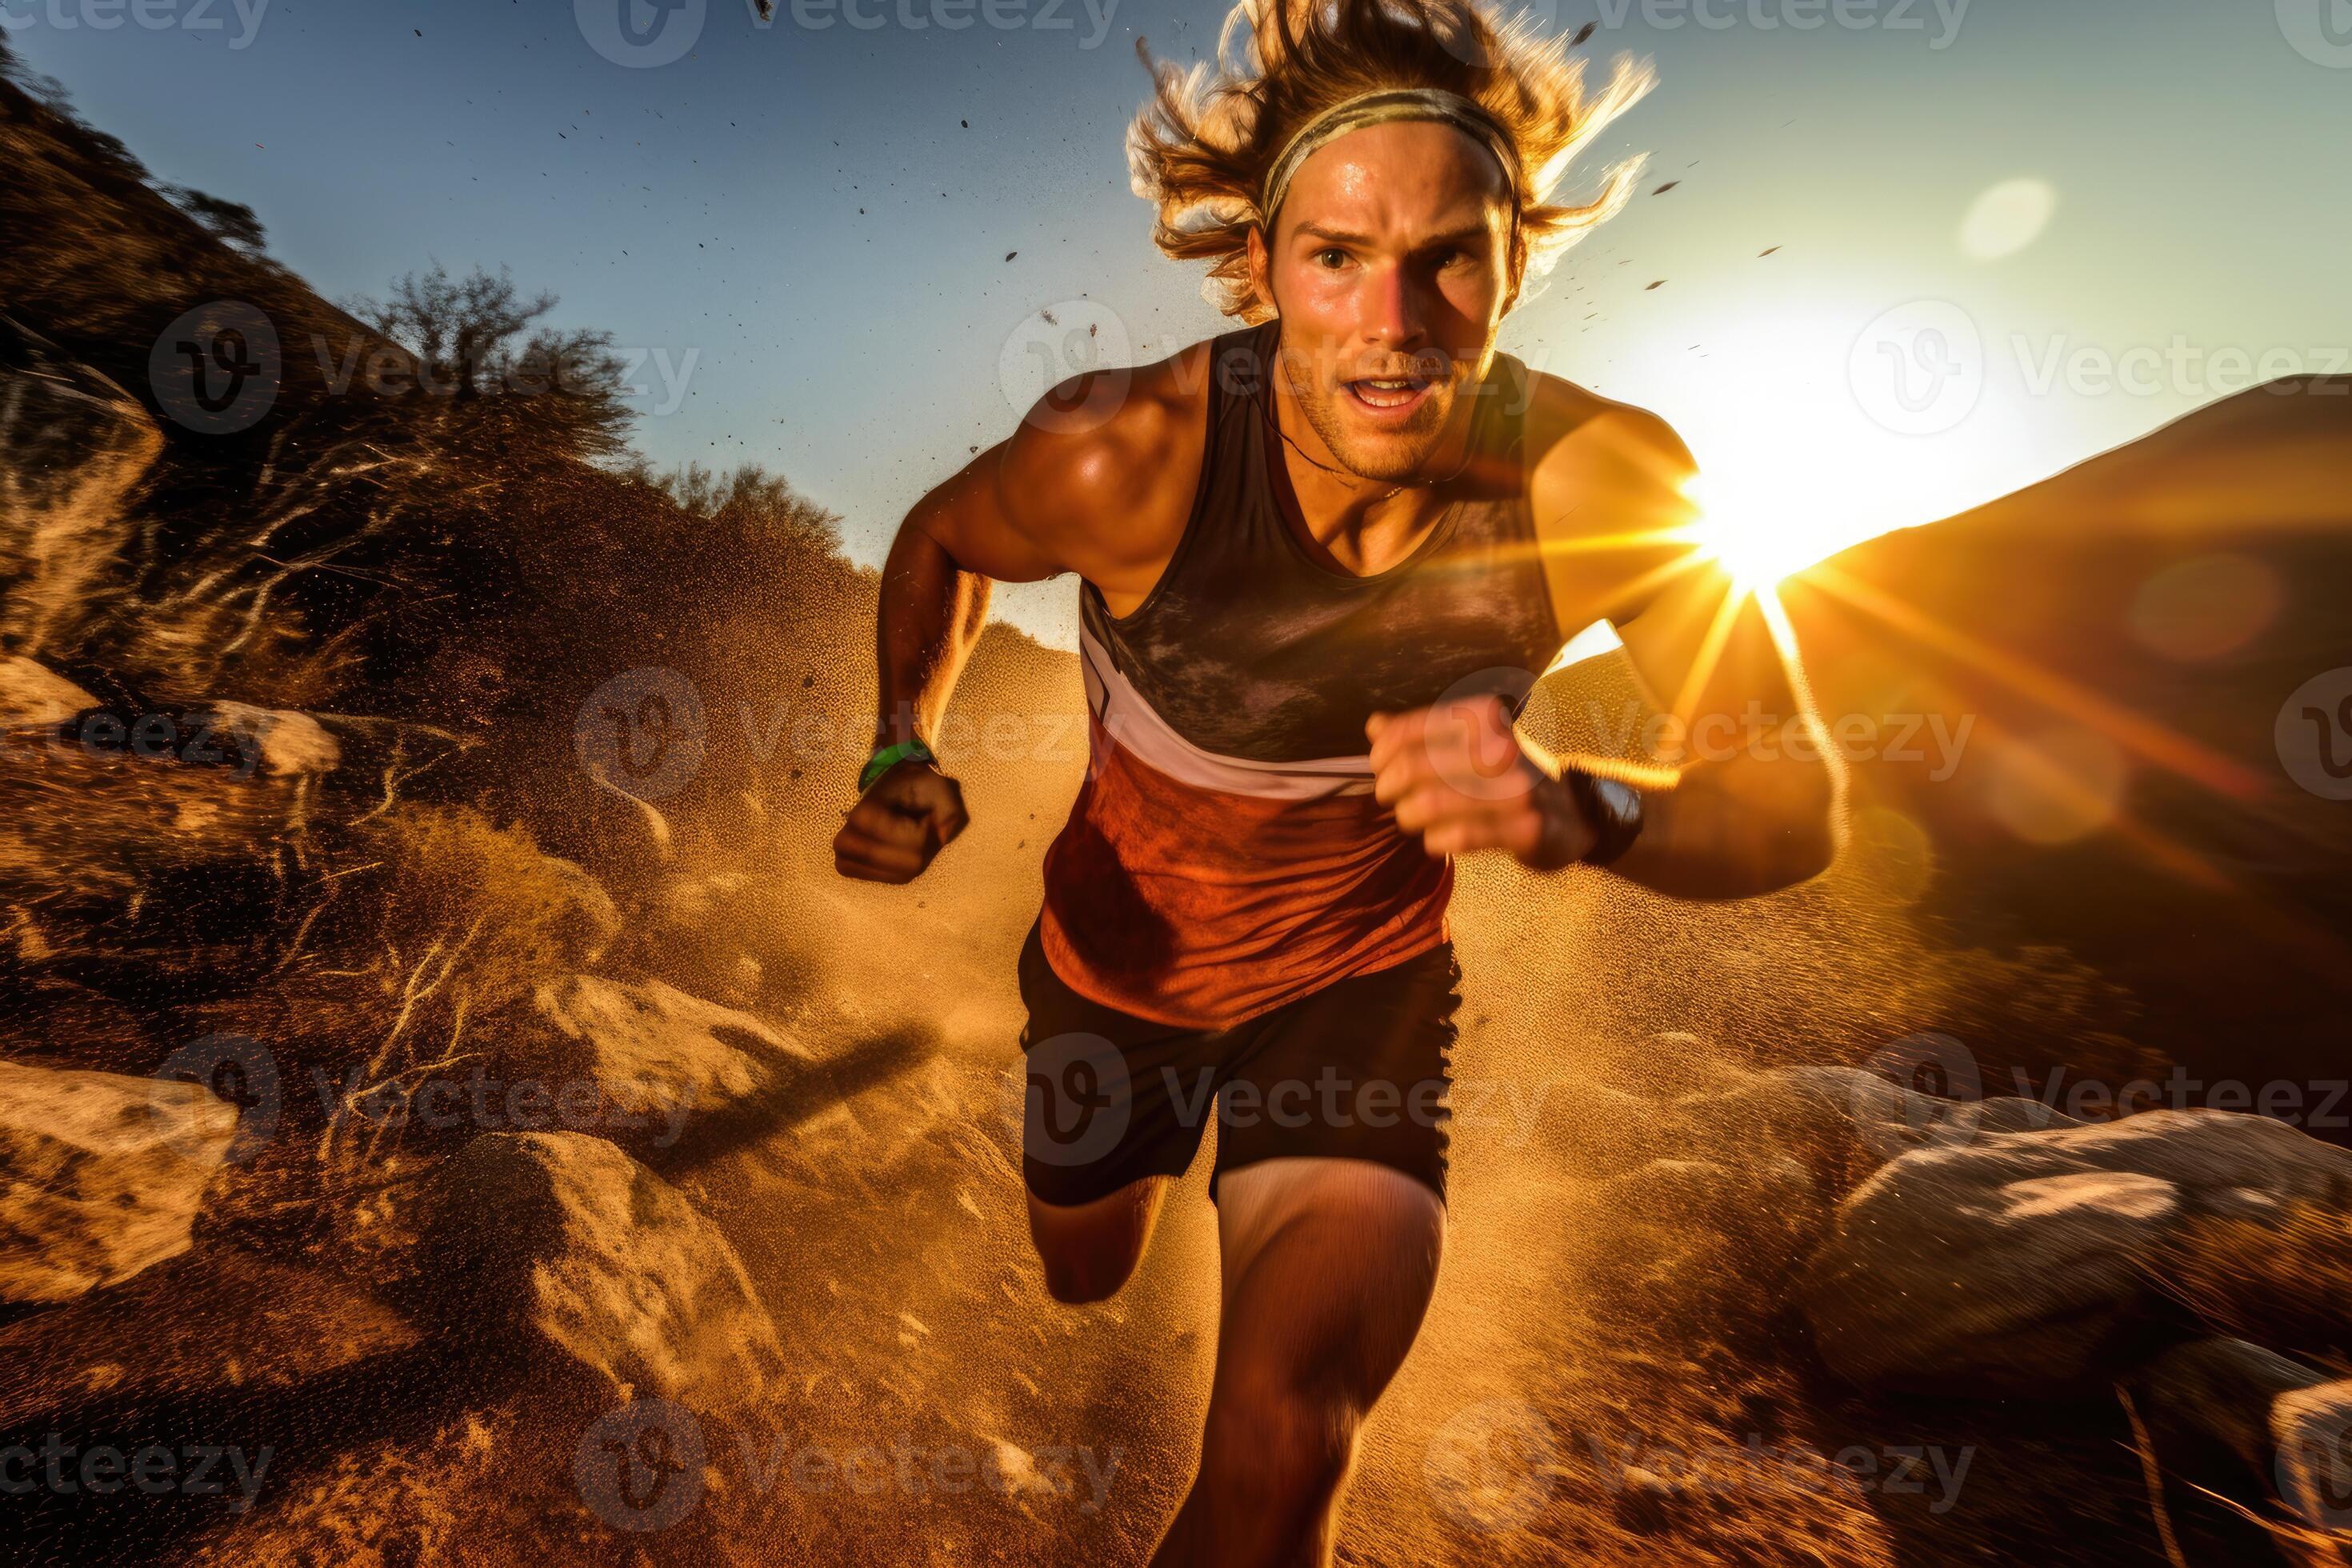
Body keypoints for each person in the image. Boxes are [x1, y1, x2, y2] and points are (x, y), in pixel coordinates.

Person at [834, 1, 1834, 1559]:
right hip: (1119, 973)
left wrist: (1585, 808)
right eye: (1337, 258)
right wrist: (905, 739)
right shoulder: (1132, 450)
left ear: (1513, 264)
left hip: (1357, 996)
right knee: (1083, 1269)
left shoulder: (1606, 484)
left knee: (1291, 1433)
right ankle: (1120, 1199)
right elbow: (945, 540)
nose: (1397, 319)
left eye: (1449, 257)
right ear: (1262, 267)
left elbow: (1794, 799)